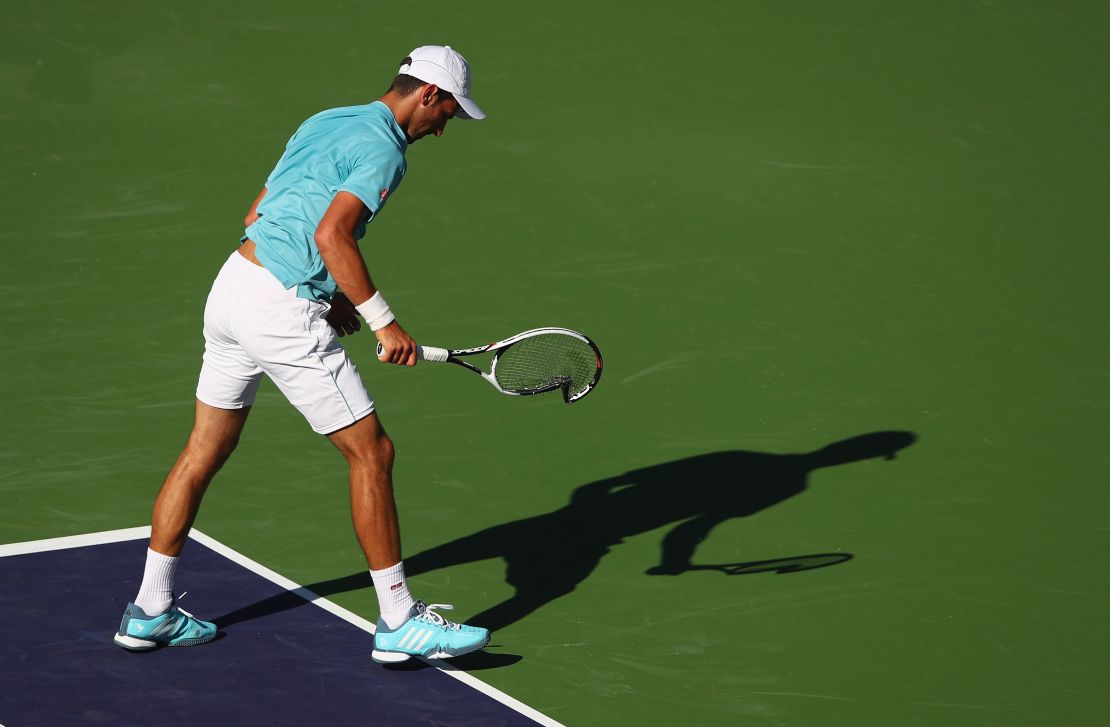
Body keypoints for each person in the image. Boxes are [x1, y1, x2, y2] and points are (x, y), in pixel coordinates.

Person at [113, 45, 491, 664]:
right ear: (427, 93)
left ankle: (150, 610)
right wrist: (381, 322)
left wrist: (331, 294)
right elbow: (330, 233)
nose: (444, 128)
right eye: (447, 112)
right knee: (372, 452)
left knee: (203, 450)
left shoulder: (326, 120)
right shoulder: (386, 151)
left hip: (234, 284)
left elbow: (260, 213)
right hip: (279, 311)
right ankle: (399, 621)